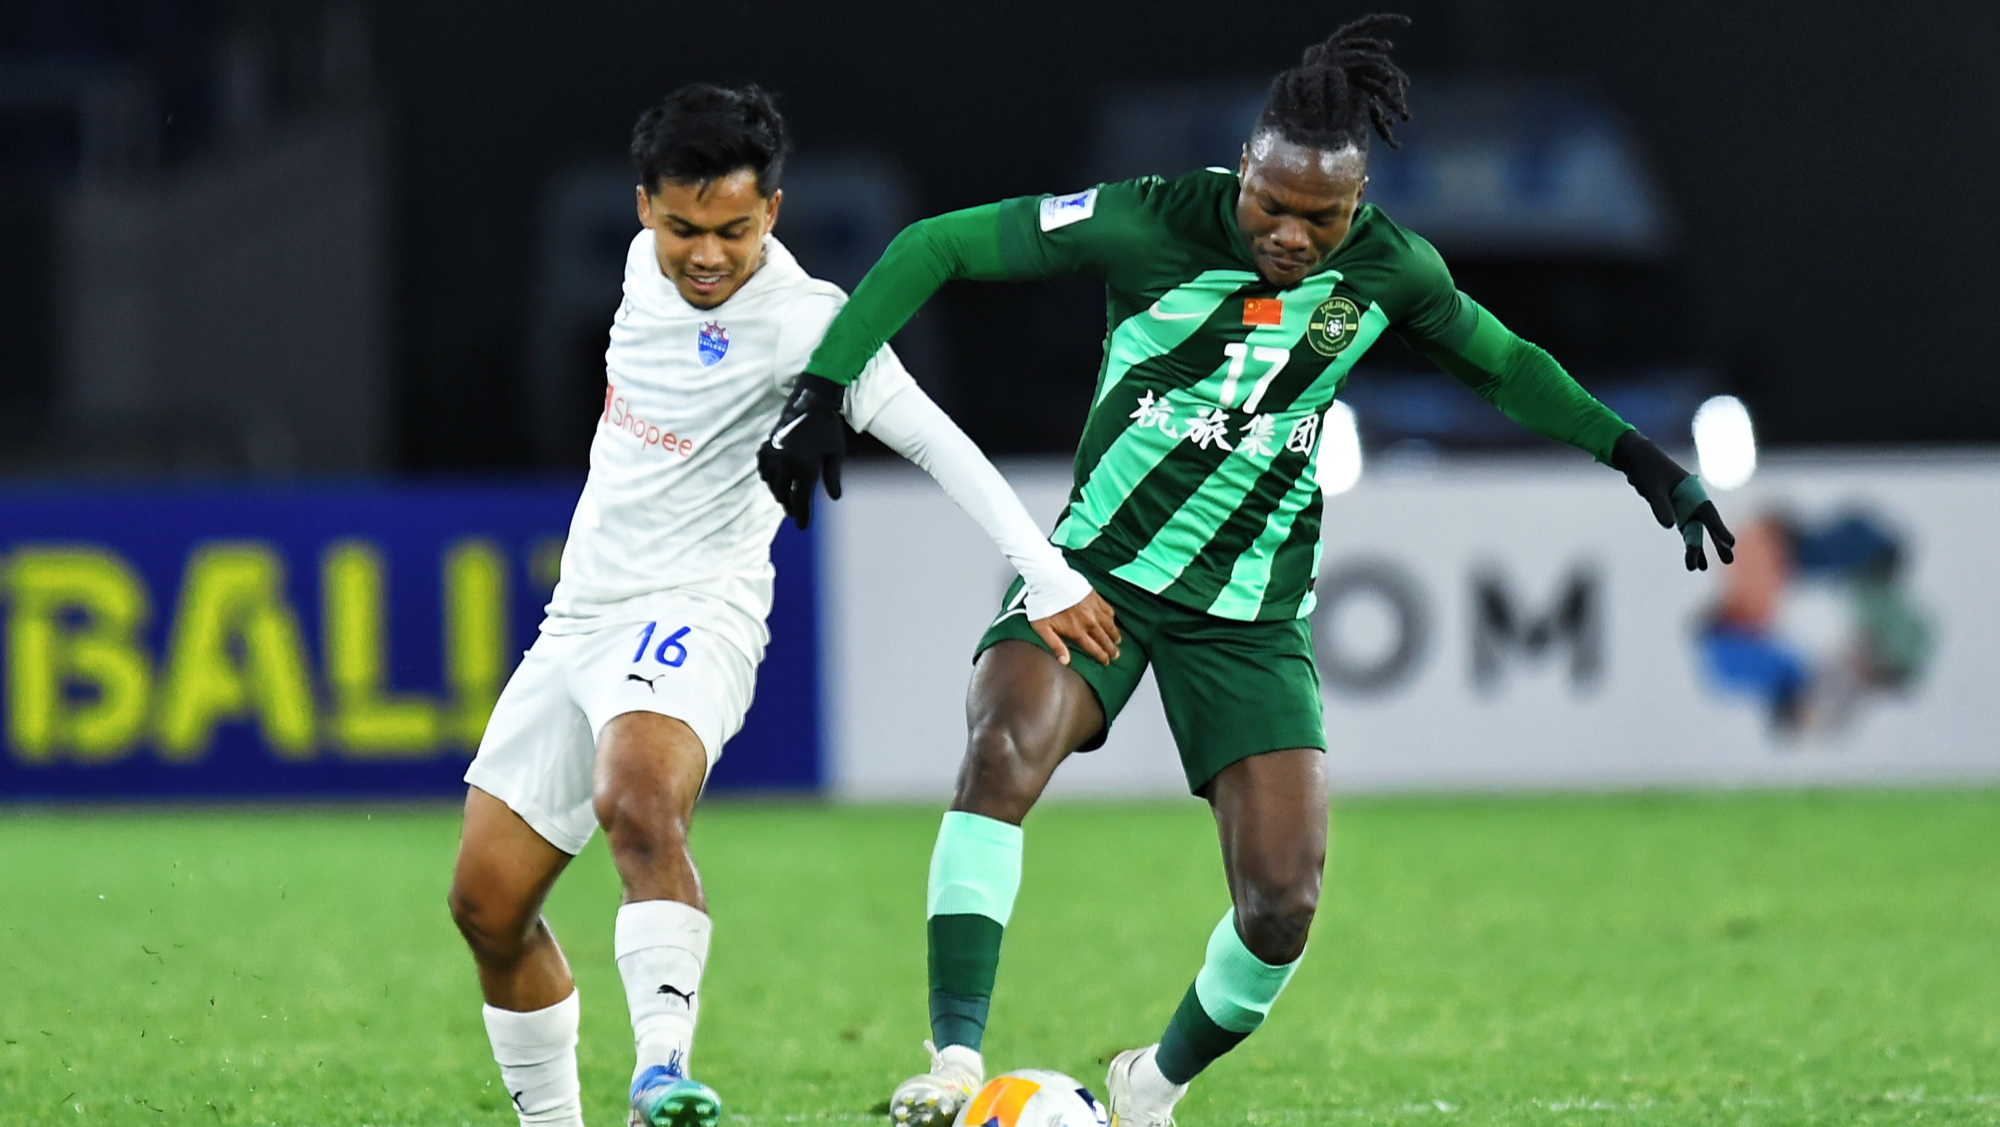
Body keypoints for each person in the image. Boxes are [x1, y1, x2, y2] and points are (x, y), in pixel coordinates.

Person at [757, 15, 1734, 1126]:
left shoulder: (1389, 268)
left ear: (1357, 202)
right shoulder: (1147, 219)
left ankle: (1149, 1085)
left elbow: (1503, 364)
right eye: (1267, 201)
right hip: (1098, 575)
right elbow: (933, 243)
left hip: (1248, 615)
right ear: (1246, 168)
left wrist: (1638, 456)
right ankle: (950, 1063)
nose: (1285, 231)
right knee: (999, 748)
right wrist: (826, 385)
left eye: (1317, 216)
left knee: (1280, 904)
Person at [446, 83, 1119, 1127]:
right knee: (486, 905)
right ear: (642, 210)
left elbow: (937, 440)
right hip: (576, 618)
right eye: (681, 229)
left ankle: (660, 1072)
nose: (705, 255)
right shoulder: (638, 271)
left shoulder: (810, 324)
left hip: (695, 610)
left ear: (774, 211)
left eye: (733, 229)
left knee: (638, 797)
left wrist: (1047, 569)